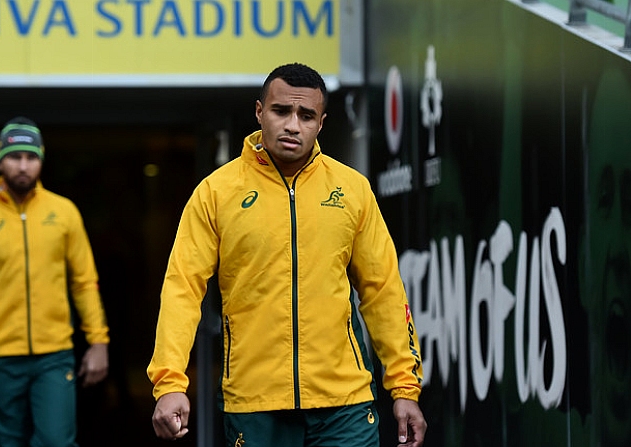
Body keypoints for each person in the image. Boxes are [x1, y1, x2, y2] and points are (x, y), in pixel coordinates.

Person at [147, 63, 427, 447]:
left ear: (322, 123)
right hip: (255, 403)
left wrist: (404, 388)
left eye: (306, 115)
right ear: (260, 112)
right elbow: (182, 289)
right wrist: (169, 382)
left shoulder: (352, 190)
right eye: (281, 111)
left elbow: (383, 292)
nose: (293, 125)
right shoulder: (216, 192)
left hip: (344, 402)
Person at [0, 116, 110, 447]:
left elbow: (84, 282)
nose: (23, 165)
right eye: (15, 156)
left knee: (56, 442)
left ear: (42, 161)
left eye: (31, 157)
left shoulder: (64, 213)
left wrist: (98, 342)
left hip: (55, 355)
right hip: (0, 356)